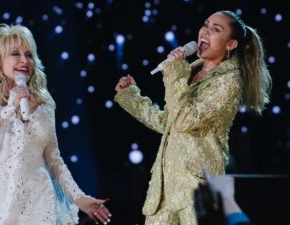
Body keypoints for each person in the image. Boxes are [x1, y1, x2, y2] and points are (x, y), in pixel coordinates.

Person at [114, 10, 271, 224]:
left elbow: (186, 120)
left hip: (196, 191)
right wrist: (131, 96)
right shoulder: (188, 71)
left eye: (216, 29)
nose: (205, 31)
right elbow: (168, 123)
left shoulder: (230, 81)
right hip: (165, 191)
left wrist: (174, 72)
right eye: (205, 25)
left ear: (230, 44)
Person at [0, 23, 111, 225]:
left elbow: (54, 159)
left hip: (40, 199)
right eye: (15, 53)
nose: (24, 60)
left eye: (29, 54)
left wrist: (79, 198)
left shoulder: (45, 102)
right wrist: (9, 108)